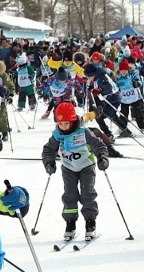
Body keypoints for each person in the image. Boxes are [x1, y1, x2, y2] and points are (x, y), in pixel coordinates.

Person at [41, 102, 109, 242]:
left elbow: (99, 145)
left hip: (86, 166)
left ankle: (90, 222)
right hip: (68, 168)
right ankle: (70, 223)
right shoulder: (57, 134)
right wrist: (49, 163)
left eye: (66, 123)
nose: (63, 127)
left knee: (87, 194)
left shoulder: (83, 132)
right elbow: (48, 150)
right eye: (60, 124)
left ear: (72, 121)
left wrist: (102, 158)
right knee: (70, 195)